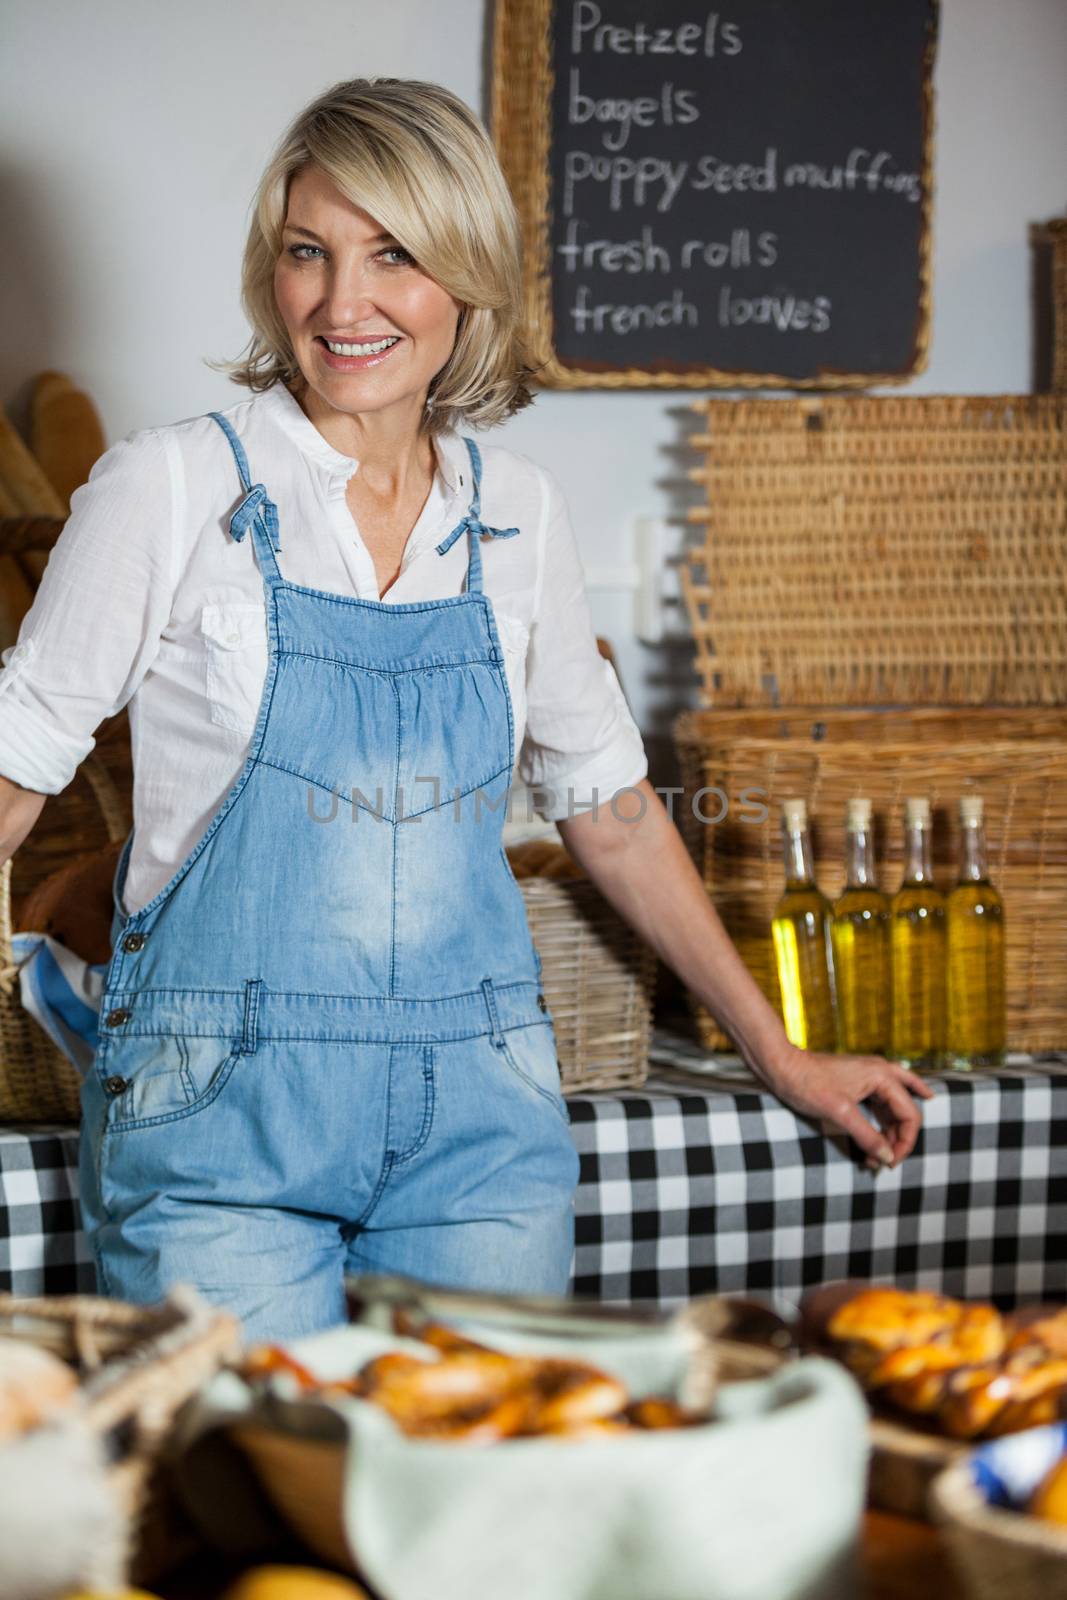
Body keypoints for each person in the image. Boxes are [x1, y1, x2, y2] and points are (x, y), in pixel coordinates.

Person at [0, 78, 932, 1341]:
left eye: (393, 255)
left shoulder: (516, 511)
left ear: (465, 276)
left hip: (478, 1130)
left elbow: (607, 808)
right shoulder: (169, 487)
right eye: (306, 254)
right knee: (244, 1491)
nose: (343, 303)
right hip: (222, 1119)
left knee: (478, 1493)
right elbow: (16, 771)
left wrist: (779, 1052)